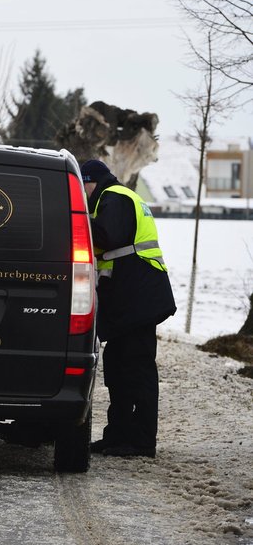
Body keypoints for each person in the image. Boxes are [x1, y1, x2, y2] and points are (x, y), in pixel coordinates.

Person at [81, 159, 177, 458]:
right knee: (119, 369)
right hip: (132, 299)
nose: (81, 193)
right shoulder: (112, 198)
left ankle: (141, 441)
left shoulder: (117, 198)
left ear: (91, 181)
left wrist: (74, 223)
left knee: (136, 370)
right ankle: (118, 435)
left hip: (139, 299)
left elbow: (107, 237)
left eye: (81, 186)